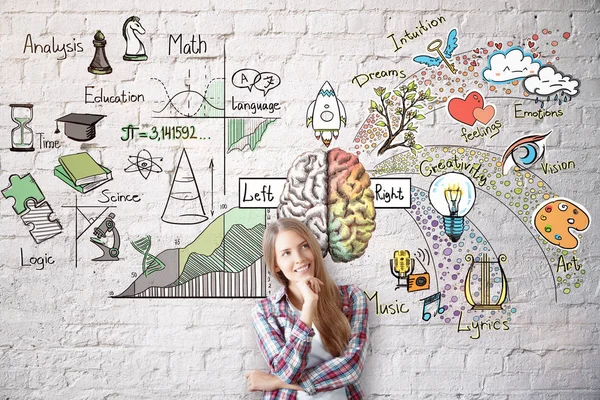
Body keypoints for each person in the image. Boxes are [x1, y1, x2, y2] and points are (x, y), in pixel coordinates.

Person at [245, 217, 368, 399]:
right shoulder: (265, 311)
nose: (299, 258)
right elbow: (286, 372)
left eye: (304, 246)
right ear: (276, 264)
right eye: (286, 253)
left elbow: (352, 367)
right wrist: (309, 306)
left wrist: (277, 382)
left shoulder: (351, 297)